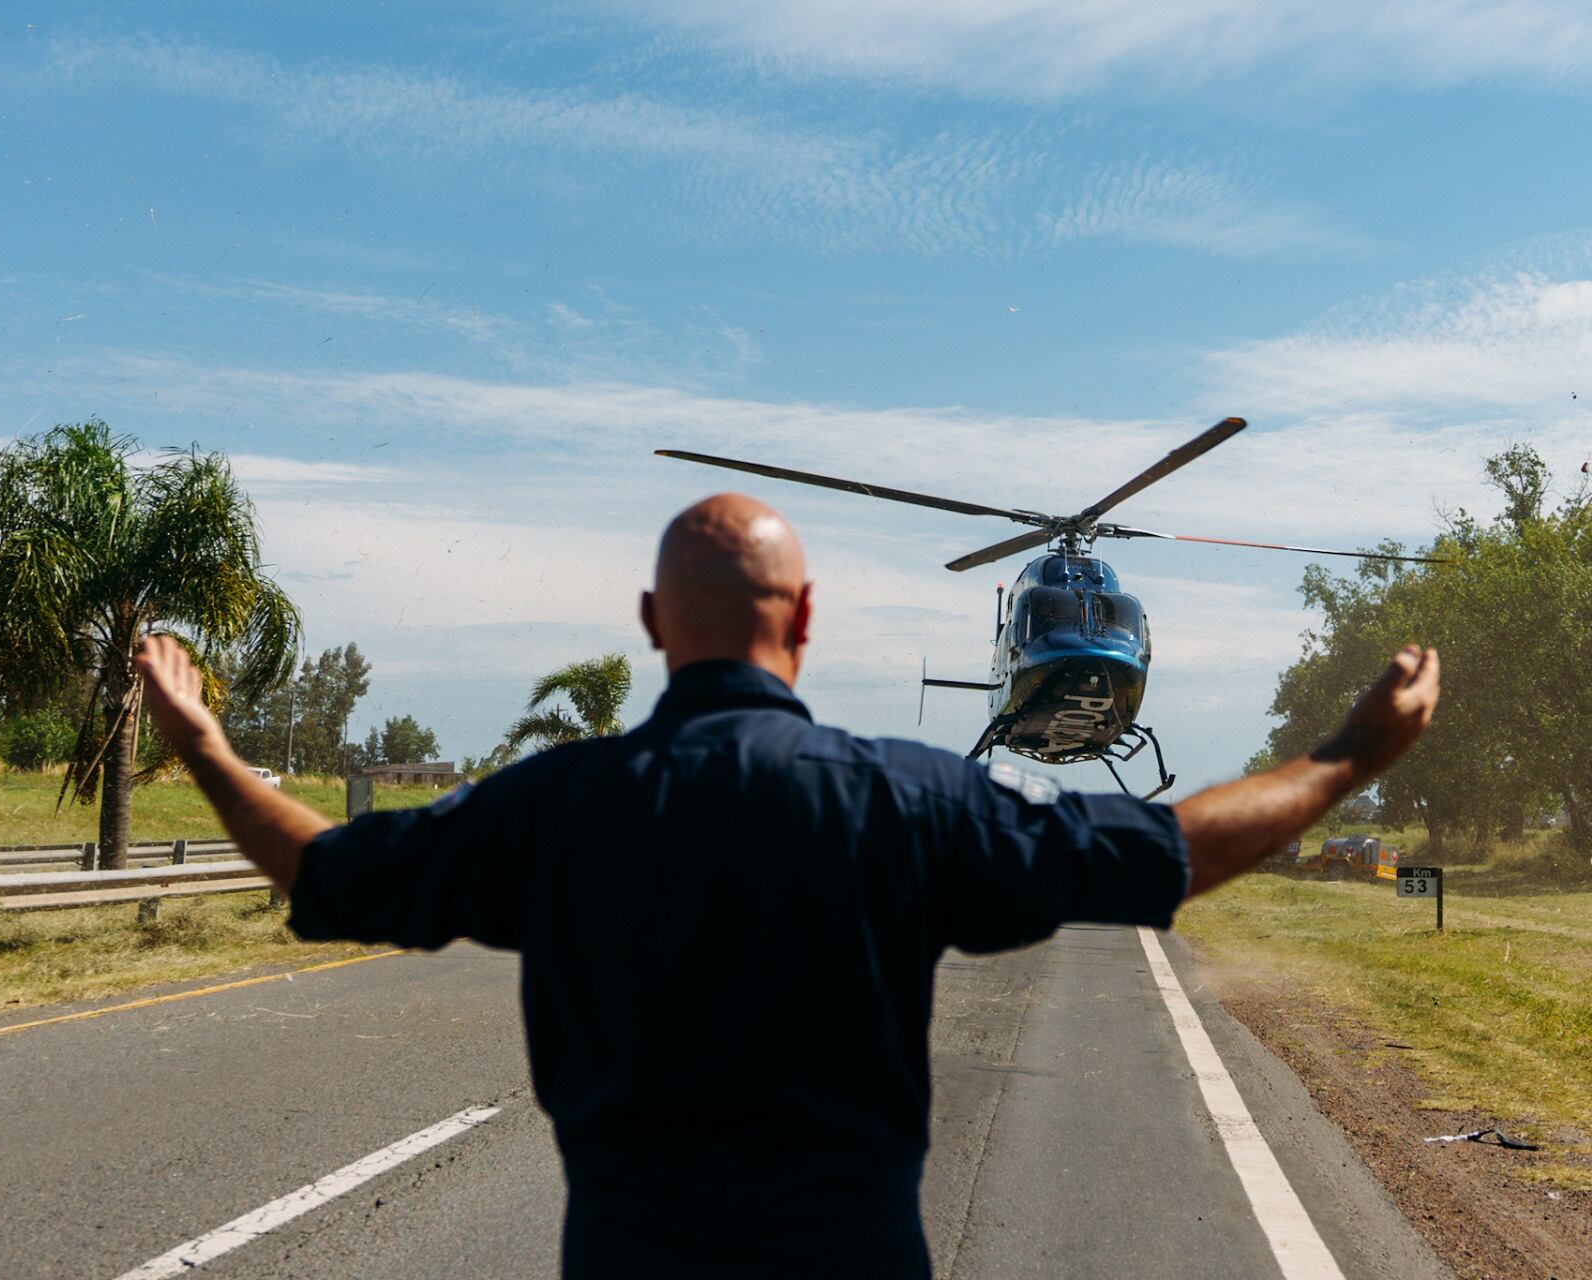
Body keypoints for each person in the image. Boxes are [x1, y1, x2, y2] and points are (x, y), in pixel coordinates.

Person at [135, 492, 1439, 1278]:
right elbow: (1166, 852)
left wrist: (204, 744)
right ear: (803, 619)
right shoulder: (903, 798)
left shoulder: (559, 804)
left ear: (655, 622)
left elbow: (320, 868)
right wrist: (1346, 757)